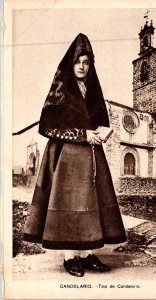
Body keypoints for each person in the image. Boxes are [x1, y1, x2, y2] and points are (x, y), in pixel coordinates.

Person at [24, 33, 127, 277]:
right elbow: (47, 126)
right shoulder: (61, 89)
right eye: (78, 62)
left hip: (92, 156)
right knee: (69, 204)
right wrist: (83, 134)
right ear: (70, 64)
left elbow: (101, 119)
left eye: (86, 62)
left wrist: (104, 130)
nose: (82, 66)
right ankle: (70, 257)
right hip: (66, 157)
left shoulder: (92, 89)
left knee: (92, 204)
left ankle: (87, 253)